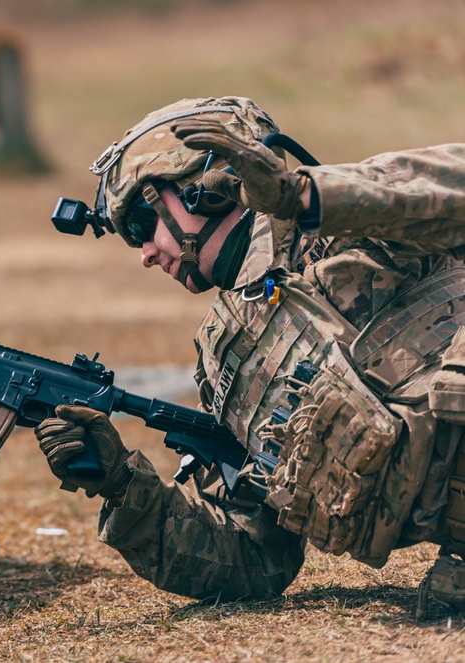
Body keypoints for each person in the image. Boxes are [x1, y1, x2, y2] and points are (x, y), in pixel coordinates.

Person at [35, 96, 465, 613]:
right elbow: (253, 554)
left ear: (202, 192)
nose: (145, 254)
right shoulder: (226, 359)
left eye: (140, 226)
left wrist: (299, 198)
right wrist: (123, 486)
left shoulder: (350, 216)